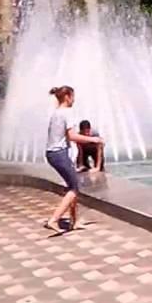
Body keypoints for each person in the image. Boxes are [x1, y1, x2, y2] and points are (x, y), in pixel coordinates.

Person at [44, 86, 104, 234]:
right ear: (67, 97)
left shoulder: (56, 113)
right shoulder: (66, 113)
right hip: (59, 154)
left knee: (73, 185)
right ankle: (53, 220)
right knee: (74, 188)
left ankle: (74, 221)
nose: (74, 100)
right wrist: (93, 139)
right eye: (73, 96)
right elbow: (72, 136)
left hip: (53, 153)